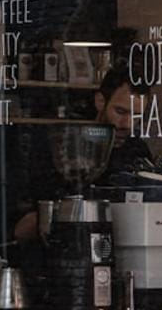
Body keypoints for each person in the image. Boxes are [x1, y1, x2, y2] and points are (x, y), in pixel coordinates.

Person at [10, 68, 152, 243]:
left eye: (137, 116)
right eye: (120, 112)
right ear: (100, 101)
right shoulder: (63, 146)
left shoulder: (137, 151)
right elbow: (22, 227)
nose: (128, 124)